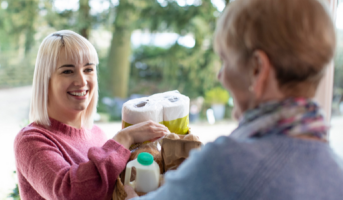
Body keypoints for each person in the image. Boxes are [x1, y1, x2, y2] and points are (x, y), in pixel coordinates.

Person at [124, 0, 343, 199]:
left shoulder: (226, 164)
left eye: (226, 60)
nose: (221, 76)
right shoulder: (336, 171)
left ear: (258, 68)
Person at [14, 30, 169, 200]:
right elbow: (71, 194)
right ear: (46, 80)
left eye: (88, 69)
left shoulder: (97, 134)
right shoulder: (30, 141)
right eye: (67, 71)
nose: (81, 81)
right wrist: (124, 139)